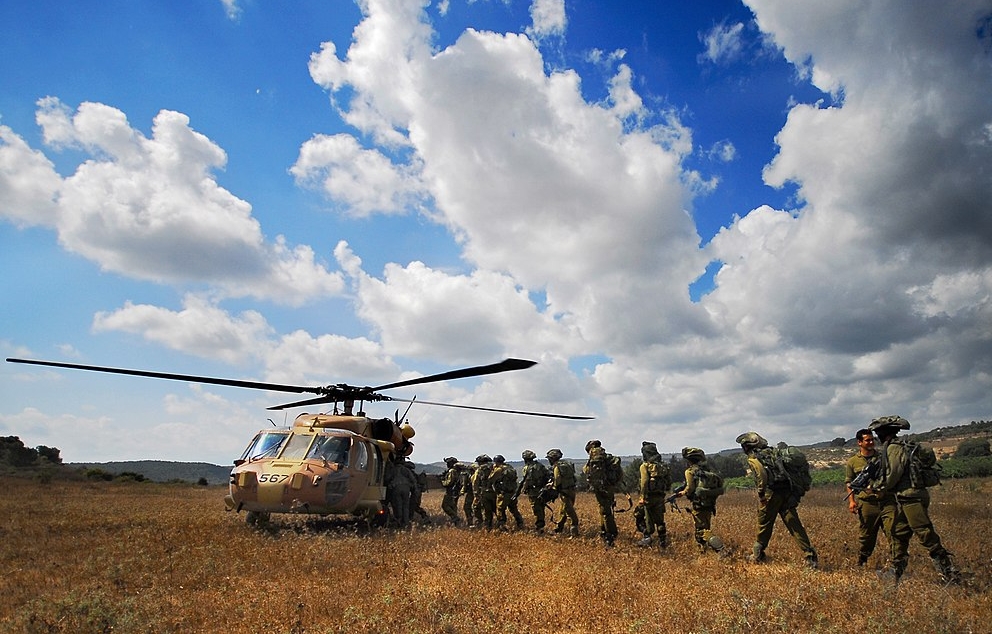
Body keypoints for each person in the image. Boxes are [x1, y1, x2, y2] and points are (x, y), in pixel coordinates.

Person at [868, 415, 960, 584]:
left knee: (925, 533)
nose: (877, 437)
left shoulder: (894, 449)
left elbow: (892, 475)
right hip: (907, 497)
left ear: (884, 432)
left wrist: (877, 487)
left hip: (912, 497)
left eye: (878, 433)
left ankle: (950, 573)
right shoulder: (896, 446)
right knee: (898, 533)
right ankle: (895, 572)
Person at [736, 432, 818, 568]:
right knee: (794, 524)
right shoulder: (773, 452)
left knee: (764, 523)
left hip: (771, 494)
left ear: (747, 446)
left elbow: (761, 475)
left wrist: (761, 494)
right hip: (787, 491)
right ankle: (810, 556)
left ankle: (758, 555)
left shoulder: (753, 458)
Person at [844, 429, 895, 566]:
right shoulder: (853, 462)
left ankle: (897, 562)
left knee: (894, 532)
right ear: (859, 442)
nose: (871, 442)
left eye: (872, 439)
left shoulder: (883, 457)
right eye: (868, 440)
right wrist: (852, 501)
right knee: (866, 537)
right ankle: (862, 561)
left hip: (886, 502)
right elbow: (849, 482)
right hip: (867, 504)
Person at [674, 447, 724, 553]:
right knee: (705, 527)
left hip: (698, 503)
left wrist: (682, 493)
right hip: (709, 503)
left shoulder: (690, 471)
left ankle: (720, 549)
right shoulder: (706, 470)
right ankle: (703, 551)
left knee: (702, 531)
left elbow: (690, 488)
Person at [583, 439, 619, 546]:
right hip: (610, 487)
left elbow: (586, 470)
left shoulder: (593, 459)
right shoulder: (609, 458)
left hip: (599, 488)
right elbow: (619, 472)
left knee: (605, 511)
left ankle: (610, 535)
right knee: (606, 509)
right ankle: (604, 531)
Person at [636, 441, 670, 549]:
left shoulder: (645, 466)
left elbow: (644, 482)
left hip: (648, 497)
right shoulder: (662, 466)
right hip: (660, 496)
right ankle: (662, 541)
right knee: (660, 520)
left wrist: (642, 496)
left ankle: (647, 537)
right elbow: (668, 481)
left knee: (641, 516)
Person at [547, 448, 580, 537]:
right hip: (571, 490)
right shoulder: (567, 464)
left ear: (552, 458)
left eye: (549, 458)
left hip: (564, 492)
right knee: (563, 510)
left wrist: (552, 486)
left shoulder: (557, 466)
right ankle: (559, 528)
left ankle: (574, 533)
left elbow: (557, 480)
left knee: (569, 512)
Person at [519, 449, 551, 533]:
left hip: (533, 491)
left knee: (536, 508)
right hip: (541, 490)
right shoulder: (540, 465)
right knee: (541, 507)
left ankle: (539, 527)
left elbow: (527, 480)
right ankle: (541, 525)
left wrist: (523, 489)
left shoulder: (527, 468)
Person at [491, 454, 525, 530]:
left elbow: (491, 478)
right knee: (513, 509)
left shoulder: (499, 469)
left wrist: (493, 470)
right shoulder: (510, 468)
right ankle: (520, 523)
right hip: (512, 492)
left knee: (500, 509)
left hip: (504, 493)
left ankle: (502, 525)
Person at [471, 454, 496, 530]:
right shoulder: (495, 467)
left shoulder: (480, 469)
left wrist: (476, 493)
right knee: (495, 509)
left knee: (483, 509)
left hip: (484, 492)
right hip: (495, 492)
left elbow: (475, 482)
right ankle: (500, 524)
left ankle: (486, 526)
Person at [440, 456, 463, 526]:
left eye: (448, 463)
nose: (447, 465)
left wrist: (442, 481)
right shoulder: (457, 471)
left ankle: (455, 518)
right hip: (455, 491)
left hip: (450, 491)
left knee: (445, 506)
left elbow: (449, 482)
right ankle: (456, 523)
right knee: (453, 506)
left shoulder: (452, 471)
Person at [461, 461, 476, 526]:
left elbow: (465, 486)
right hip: (476, 493)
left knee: (467, 507)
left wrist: (462, 492)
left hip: (472, 493)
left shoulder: (472, 476)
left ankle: (471, 522)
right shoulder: (476, 475)